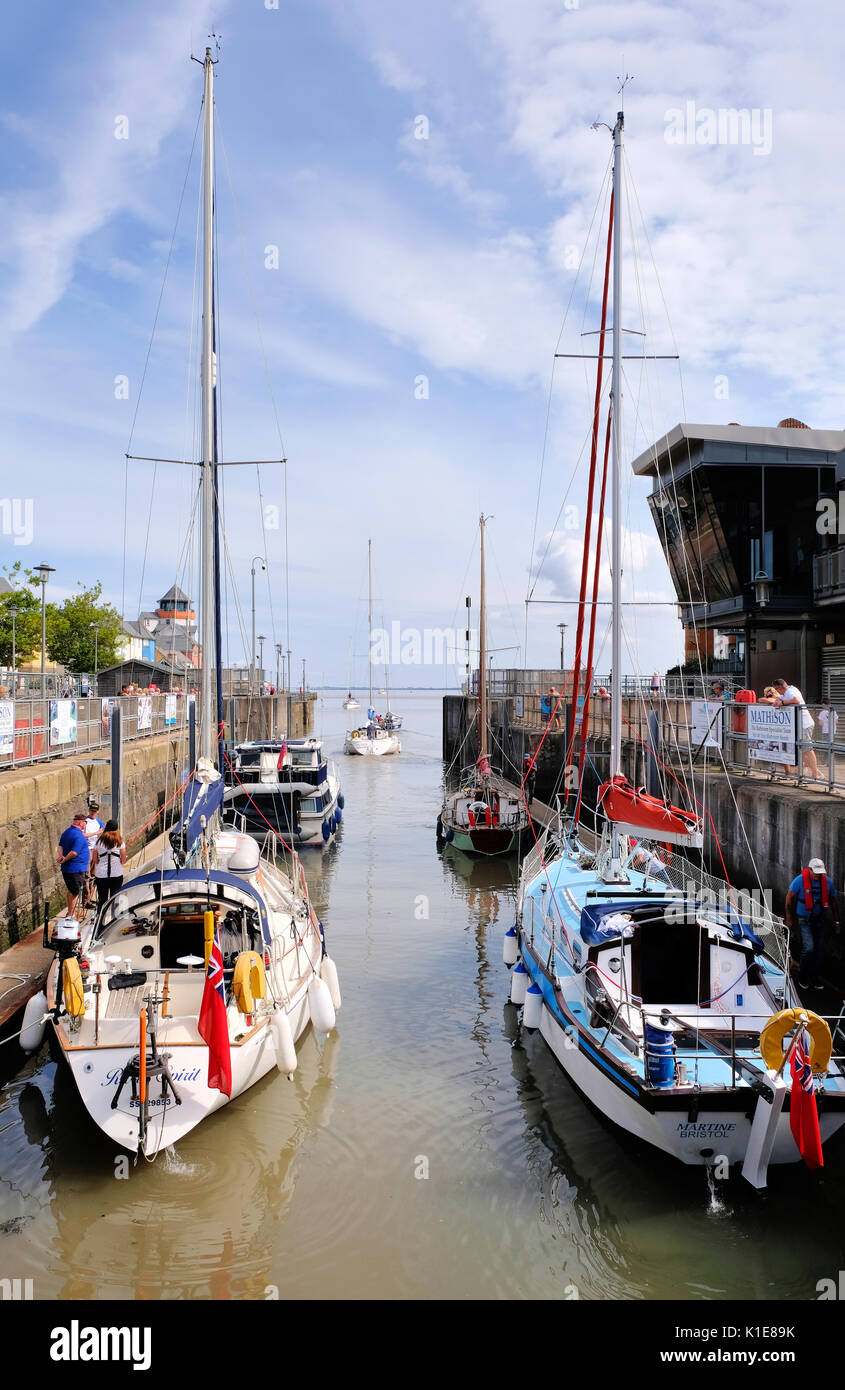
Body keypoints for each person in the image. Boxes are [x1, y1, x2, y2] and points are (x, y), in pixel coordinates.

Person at [785, 857, 840, 990]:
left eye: (820, 872)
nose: (818, 875)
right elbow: (789, 898)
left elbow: (833, 902)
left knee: (819, 950)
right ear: (809, 870)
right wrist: (789, 918)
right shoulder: (799, 881)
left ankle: (815, 977)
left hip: (820, 919)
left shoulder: (827, 882)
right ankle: (803, 975)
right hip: (804, 919)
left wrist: (837, 921)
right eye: (815, 872)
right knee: (809, 947)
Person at [772, 677, 820, 780]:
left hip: (804, 724)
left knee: (807, 749)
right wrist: (779, 700)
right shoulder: (791, 689)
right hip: (800, 724)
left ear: (779, 688)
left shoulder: (790, 693)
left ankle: (816, 774)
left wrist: (783, 703)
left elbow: (796, 700)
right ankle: (802, 773)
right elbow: (781, 697)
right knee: (800, 749)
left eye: (776, 690)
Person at [56, 812, 91, 916]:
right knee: (75, 892)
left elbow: (60, 846)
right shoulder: (79, 835)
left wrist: (61, 856)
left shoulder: (66, 832)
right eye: (85, 822)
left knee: (71, 890)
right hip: (76, 868)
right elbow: (74, 852)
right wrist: (65, 859)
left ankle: (70, 911)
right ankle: (70, 914)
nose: (86, 824)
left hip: (68, 868)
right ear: (81, 823)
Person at [91, 820, 127, 908]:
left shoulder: (98, 842)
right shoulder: (120, 842)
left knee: (102, 900)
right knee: (115, 899)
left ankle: (101, 917)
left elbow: (95, 860)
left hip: (101, 875)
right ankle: (114, 919)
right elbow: (123, 860)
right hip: (116, 875)